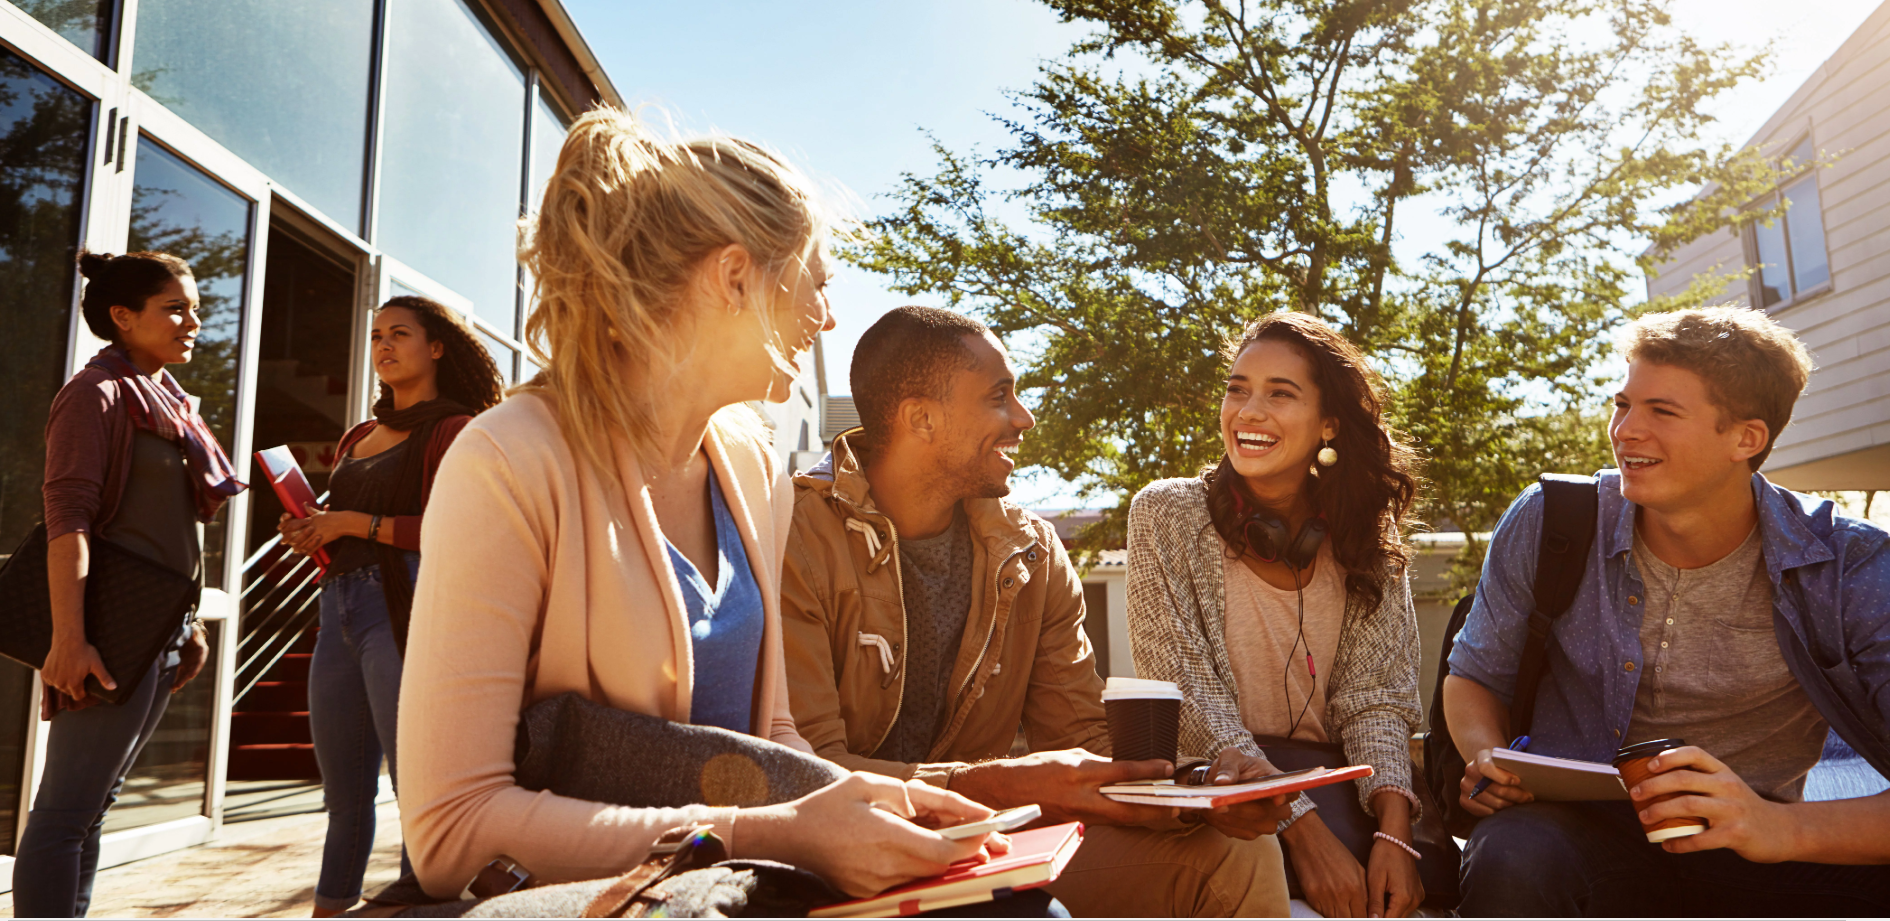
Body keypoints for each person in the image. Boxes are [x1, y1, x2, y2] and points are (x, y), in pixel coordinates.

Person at [396, 109, 1025, 907]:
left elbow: (773, 740)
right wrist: (775, 832)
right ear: (733, 278)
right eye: (816, 283)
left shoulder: (753, 461)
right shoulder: (507, 461)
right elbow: (452, 830)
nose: (827, 318)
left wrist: (871, 807)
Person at [780, 305, 1293, 918]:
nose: (1024, 418)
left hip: (982, 848)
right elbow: (805, 771)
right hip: (834, 866)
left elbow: (1078, 739)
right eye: (1000, 397)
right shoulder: (792, 534)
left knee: (1238, 855)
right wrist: (1004, 786)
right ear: (920, 417)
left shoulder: (1032, 552)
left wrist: (1198, 785)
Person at [1443, 306, 1890, 916]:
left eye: (1662, 411)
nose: (1625, 430)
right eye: (1623, 404)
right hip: (1574, 830)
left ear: (1745, 438)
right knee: (1512, 855)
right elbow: (1474, 675)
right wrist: (1488, 756)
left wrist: (1773, 829)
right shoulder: (1552, 519)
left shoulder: (1853, 564)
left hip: (1760, 837)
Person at [1126, 311, 1427, 919]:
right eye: (1238, 389)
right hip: (1228, 819)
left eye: (1279, 394)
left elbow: (1378, 700)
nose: (1248, 411)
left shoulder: (1367, 535)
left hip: (1351, 811)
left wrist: (1394, 835)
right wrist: (1304, 830)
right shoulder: (1165, 515)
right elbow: (1189, 697)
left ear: (1329, 424)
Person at [23, 251, 242, 917]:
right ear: (122, 316)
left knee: (93, 809)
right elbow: (69, 520)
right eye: (174, 307)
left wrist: (191, 622)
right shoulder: (97, 393)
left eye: (195, 307)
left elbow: (174, 524)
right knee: (65, 813)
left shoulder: (168, 400)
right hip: (109, 632)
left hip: (162, 630)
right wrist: (69, 639)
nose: (192, 321)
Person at [276, 295, 503, 916]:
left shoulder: (456, 429)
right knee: (344, 790)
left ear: (436, 347)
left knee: (415, 779)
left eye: (400, 333)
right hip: (337, 606)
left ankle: (418, 899)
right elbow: (343, 525)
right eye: (377, 334)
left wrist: (351, 520)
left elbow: (454, 528)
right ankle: (331, 905)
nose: (384, 345)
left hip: (403, 604)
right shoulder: (357, 435)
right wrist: (313, 528)